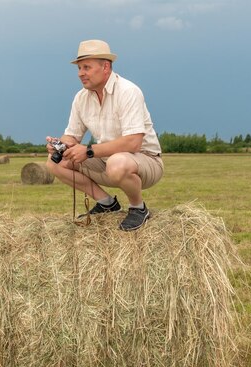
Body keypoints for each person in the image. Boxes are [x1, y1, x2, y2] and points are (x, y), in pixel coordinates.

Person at [46, 39, 163, 231]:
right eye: (79, 68)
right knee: (54, 162)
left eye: (86, 67)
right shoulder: (81, 98)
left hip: (145, 161)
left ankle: (138, 208)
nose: (80, 73)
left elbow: (134, 142)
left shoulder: (128, 92)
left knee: (117, 163)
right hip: (107, 160)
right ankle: (107, 203)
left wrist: (89, 151)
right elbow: (72, 137)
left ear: (105, 67)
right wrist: (59, 144)